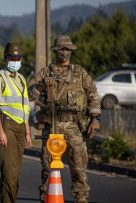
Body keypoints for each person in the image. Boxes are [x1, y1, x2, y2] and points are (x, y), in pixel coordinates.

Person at [28, 35, 101, 203]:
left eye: (67, 49)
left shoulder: (80, 72)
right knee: (48, 168)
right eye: (61, 48)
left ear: (71, 51)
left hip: (75, 127)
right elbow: (30, 95)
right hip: (52, 127)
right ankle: (47, 197)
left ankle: (81, 199)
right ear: (55, 51)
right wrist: (41, 85)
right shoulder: (45, 72)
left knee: (79, 169)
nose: (64, 52)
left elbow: (93, 96)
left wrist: (95, 119)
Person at [0, 42, 32, 203]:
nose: (15, 60)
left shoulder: (21, 78)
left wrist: (28, 131)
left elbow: (25, 107)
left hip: (21, 126)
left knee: (16, 171)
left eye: (18, 57)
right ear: (5, 60)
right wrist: (0, 131)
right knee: (9, 171)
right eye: (12, 58)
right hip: (7, 124)